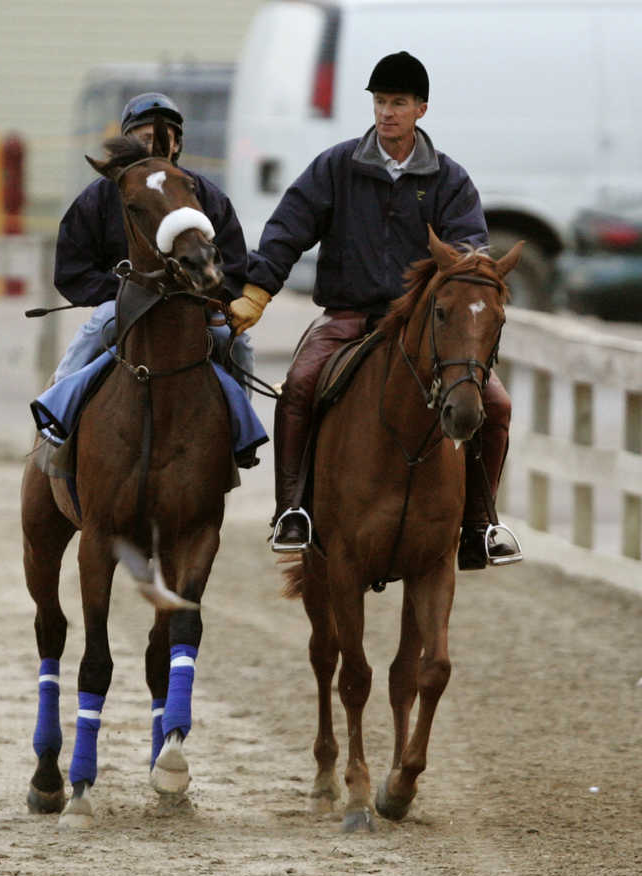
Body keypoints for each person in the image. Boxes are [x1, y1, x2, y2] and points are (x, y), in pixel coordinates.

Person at [228, 51, 520, 570]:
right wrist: (258, 290)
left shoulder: (450, 180)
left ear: (421, 110)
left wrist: (467, 265)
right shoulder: (337, 167)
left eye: (399, 103)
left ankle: (480, 524)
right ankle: (292, 511)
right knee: (298, 387)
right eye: (381, 102)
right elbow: (289, 227)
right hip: (349, 316)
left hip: (423, 327)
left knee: (495, 406)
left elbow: (471, 247)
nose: (387, 112)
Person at [52, 92, 254, 388]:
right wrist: (123, 289)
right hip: (122, 304)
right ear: (127, 144)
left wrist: (210, 295)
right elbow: (71, 270)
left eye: (161, 138)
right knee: (97, 329)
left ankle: (244, 425)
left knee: (236, 342)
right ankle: (55, 416)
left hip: (194, 304)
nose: (153, 146)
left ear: (176, 144)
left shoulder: (207, 195)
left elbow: (235, 264)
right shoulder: (96, 199)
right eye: (143, 138)